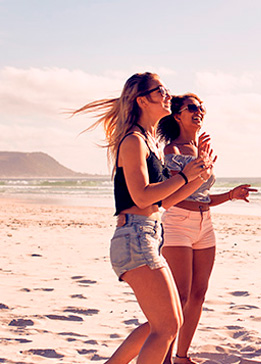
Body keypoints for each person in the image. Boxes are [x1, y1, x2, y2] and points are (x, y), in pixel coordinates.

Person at [72, 72, 213, 364]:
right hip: (134, 238)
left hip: (147, 234)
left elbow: (164, 201)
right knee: (167, 327)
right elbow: (142, 196)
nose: (168, 95)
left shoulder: (148, 142)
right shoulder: (133, 140)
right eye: (160, 90)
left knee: (163, 324)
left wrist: (200, 176)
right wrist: (186, 174)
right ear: (142, 100)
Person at [157, 93, 257, 364]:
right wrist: (200, 164)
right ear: (177, 115)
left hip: (205, 225)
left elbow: (201, 197)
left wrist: (231, 195)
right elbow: (174, 196)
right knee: (181, 294)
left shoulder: (201, 151)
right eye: (192, 107)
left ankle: (182, 356)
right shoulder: (171, 151)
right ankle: (164, 357)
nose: (198, 111)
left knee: (199, 294)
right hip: (177, 223)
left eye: (201, 108)